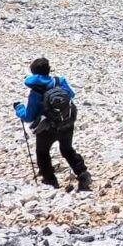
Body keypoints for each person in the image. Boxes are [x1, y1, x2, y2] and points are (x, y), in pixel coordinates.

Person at [12, 57, 91, 191]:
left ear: (33, 73)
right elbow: (70, 95)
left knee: (42, 152)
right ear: (49, 70)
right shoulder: (59, 82)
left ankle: (50, 180)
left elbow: (28, 116)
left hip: (47, 127)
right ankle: (83, 174)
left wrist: (19, 108)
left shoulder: (36, 91)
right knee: (67, 150)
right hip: (66, 122)